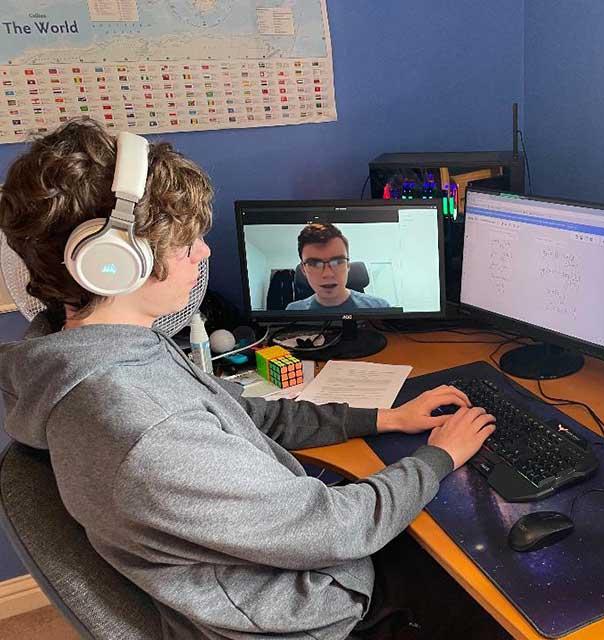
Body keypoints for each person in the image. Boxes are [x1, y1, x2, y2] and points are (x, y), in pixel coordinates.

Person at [0, 119, 503, 639]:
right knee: (486, 584)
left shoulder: (91, 353)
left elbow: (242, 413)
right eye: (186, 243)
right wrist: (439, 455)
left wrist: (385, 417)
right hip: (306, 621)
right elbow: (336, 528)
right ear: (115, 264)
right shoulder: (146, 428)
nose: (204, 253)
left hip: (263, 570)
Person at [286, 223, 391, 312]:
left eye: (337, 262)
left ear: (348, 265)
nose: (328, 274)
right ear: (303, 269)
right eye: (314, 264)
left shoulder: (380, 307)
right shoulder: (293, 311)